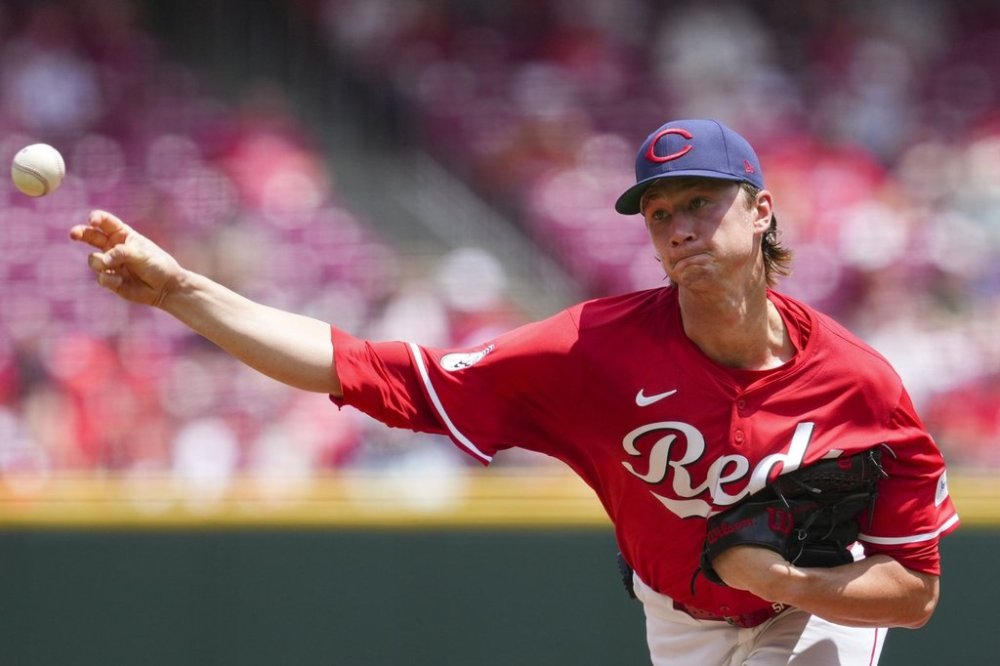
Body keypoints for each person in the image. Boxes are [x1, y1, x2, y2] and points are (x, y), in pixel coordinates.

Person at [70, 118, 959, 665]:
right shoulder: (589, 351)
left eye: (702, 202)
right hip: (680, 617)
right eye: (661, 213)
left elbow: (915, 593)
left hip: (812, 610)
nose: (680, 227)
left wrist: (784, 580)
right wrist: (183, 290)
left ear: (762, 211)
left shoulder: (858, 385)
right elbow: (369, 372)